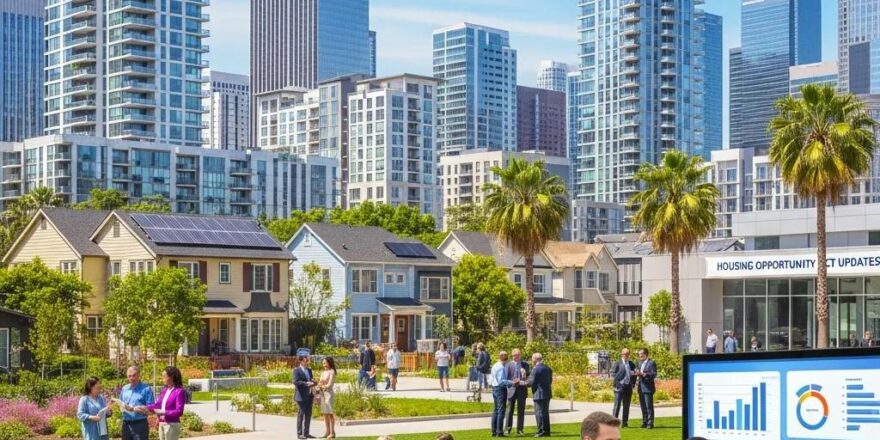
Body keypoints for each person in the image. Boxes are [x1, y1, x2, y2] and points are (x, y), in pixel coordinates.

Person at [143, 367, 185, 440]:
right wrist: (145, 407)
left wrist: (164, 412)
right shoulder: (164, 390)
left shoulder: (179, 391)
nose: (162, 379)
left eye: (164, 376)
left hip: (172, 424)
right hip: (162, 423)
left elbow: (179, 411)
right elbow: (158, 405)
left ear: (171, 377)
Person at [119, 366, 155, 440]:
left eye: (134, 375)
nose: (132, 378)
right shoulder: (124, 389)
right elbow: (121, 404)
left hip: (140, 424)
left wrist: (138, 409)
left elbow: (151, 410)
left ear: (139, 375)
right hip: (126, 424)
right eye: (129, 376)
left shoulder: (146, 389)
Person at [489, 351, 518, 437]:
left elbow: (491, 378)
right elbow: (501, 381)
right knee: (501, 411)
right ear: (504, 358)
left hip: (494, 388)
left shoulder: (495, 365)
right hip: (500, 389)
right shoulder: (501, 367)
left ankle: (494, 431)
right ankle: (499, 432)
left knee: (496, 410)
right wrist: (512, 382)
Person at [526, 352, 553, 437]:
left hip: (538, 394)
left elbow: (530, 382)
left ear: (535, 359)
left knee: (539, 413)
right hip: (547, 393)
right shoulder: (548, 368)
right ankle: (547, 431)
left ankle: (541, 431)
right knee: (545, 413)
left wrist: (520, 382)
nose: (532, 361)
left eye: (532, 359)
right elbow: (550, 381)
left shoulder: (535, 369)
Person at [505, 348, 530, 436]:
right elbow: (506, 377)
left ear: (520, 355)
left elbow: (529, 377)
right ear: (512, 356)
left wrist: (524, 375)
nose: (516, 357)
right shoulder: (509, 365)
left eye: (518, 355)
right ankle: (507, 429)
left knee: (521, 411)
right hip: (512, 389)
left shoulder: (525, 364)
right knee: (509, 410)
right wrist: (512, 382)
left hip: (522, 390)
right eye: (514, 355)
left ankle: (520, 430)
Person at [609, 348, 636, 427]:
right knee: (617, 405)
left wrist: (633, 384)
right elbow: (612, 374)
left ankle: (624, 422)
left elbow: (634, 373)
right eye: (625, 354)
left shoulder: (631, 363)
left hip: (628, 387)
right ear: (622, 354)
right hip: (619, 387)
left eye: (627, 354)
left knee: (626, 406)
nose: (626, 355)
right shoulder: (617, 363)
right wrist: (618, 383)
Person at [293, 355, 316, 439]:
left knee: (308, 415)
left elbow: (311, 379)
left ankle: (306, 433)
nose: (307, 362)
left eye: (307, 361)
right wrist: (306, 383)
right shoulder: (297, 370)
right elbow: (296, 382)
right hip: (301, 396)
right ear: (301, 361)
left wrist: (313, 382)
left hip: (309, 395)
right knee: (301, 415)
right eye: (305, 361)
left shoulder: (309, 370)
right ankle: (299, 434)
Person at [635, 348, 656, 429]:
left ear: (645, 354)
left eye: (641, 354)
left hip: (648, 388)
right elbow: (637, 371)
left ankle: (650, 423)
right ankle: (644, 422)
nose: (639, 355)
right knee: (643, 406)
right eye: (639, 354)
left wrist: (644, 374)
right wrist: (636, 372)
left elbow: (653, 374)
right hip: (640, 387)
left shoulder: (651, 363)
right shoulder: (639, 363)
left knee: (649, 406)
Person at [319, 357, 337, 439]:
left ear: (329, 363)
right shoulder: (323, 372)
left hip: (329, 394)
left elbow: (330, 384)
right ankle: (327, 431)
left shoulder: (332, 372)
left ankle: (332, 432)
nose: (324, 365)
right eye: (323, 363)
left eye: (325, 363)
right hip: (323, 394)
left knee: (330, 413)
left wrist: (323, 386)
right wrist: (320, 385)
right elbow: (320, 382)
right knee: (325, 413)